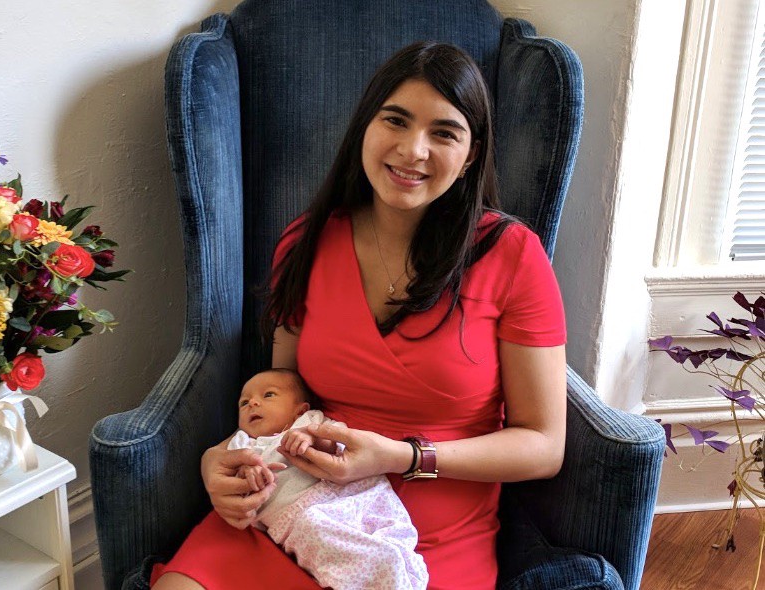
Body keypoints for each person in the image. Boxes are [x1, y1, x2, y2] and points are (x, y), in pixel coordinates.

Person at [152, 40, 567, 590]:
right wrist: (222, 460)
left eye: (443, 132)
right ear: (364, 129)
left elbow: (543, 445)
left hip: (421, 545)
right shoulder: (304, 243)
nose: (412, 149)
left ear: (470, 156)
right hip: (294, 511)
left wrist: (400, 457)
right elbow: (283, 391)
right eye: (395, 120)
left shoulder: (512, 255)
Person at [228, 367, 428, 590]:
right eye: (244, 402)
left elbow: (338, 444)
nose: (253, 403)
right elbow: (232, 482)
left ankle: (398, 568)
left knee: (389, 539)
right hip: (299, 518)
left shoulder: (310, 421)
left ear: (299, 409)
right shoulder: (242, 443)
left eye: (268, 395)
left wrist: (314, 439)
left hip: (350, 495)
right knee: (327, 537)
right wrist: (247, 474)